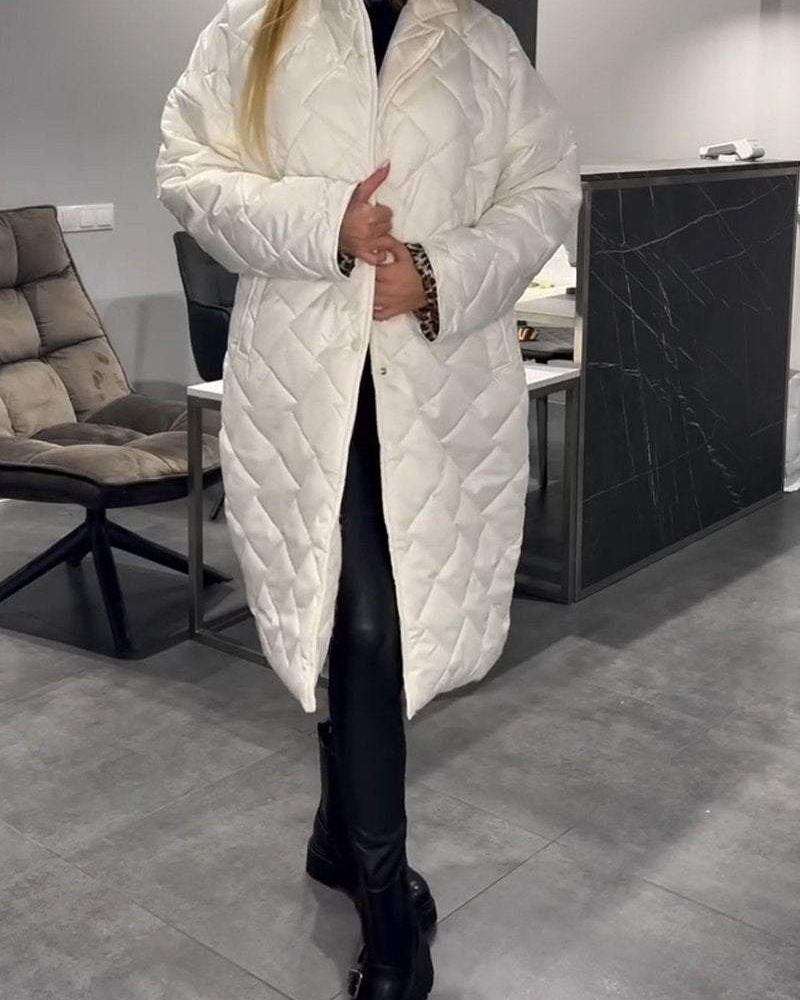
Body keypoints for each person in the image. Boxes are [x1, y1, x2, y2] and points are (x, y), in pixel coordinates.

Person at [155, 0, 581, 996]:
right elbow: (186, 168)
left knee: (370, 625)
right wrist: (327, 226)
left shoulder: (477, 39)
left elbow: (545, 184)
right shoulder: (253, 24)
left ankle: (335, 836)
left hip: (434, 386)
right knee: (357, 626)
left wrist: (436, 274)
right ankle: (388, 911)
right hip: (306, 384)